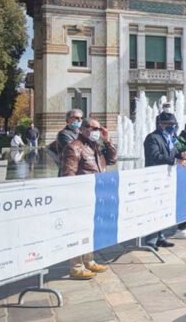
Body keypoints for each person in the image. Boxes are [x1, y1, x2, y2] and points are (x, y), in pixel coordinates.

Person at [61, 118, 117, 279]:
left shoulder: (96, 146)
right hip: (81, 196)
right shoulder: (74, 147)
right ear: (83, 129)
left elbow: (112, 159)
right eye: (93, 128)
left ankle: (89, 260)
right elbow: (69, 174)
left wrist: (108, 141)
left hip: (97, 193)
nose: (96, 132)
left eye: (98, 129)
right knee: (78, 231)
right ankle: (76, 266)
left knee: (90, 230)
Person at [143, 112, 186, 250]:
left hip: (166, 178)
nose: (172, 127)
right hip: (154, 178)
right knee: (153, 209)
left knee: (163, 208)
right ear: (161, 125)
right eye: (169, 125)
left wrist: (181, 155)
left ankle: (161, 237)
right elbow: (155, 155)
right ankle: (150, 240)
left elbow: (172, 153)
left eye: (174, 125)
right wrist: (175, 160)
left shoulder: (169, 138)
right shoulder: (152, 138)